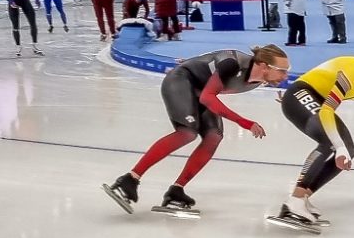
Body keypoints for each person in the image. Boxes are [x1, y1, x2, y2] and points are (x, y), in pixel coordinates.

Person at [104, 44, 290, 217]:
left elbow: (207, 87)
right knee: (187, 132)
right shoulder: (232, 64)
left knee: (214, 136)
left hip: (199, 90)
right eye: (282, 71)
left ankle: (176, 191)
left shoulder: (258, 80)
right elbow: (209, 98)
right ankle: (129, 179)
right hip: (180, 81)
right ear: (265, 66)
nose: (285, 76)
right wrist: (244, 122)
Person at [267, 46, 354, 233]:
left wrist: (342, 147)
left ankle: (303, 198)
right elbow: (327, 110)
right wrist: (294, 94)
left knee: (350, 150)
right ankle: (294, 200)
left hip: (312, 97)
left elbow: (324, 88)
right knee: (331, 142)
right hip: (302, 94)